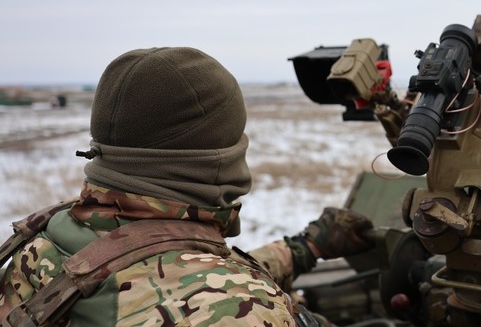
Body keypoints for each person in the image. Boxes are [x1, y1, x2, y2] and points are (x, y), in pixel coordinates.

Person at [0, 47, 374, 327]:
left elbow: (166, 274)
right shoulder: (240, 311)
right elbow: (201, 290)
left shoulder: (48, 238)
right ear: (215, 155)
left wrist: (304, 248)